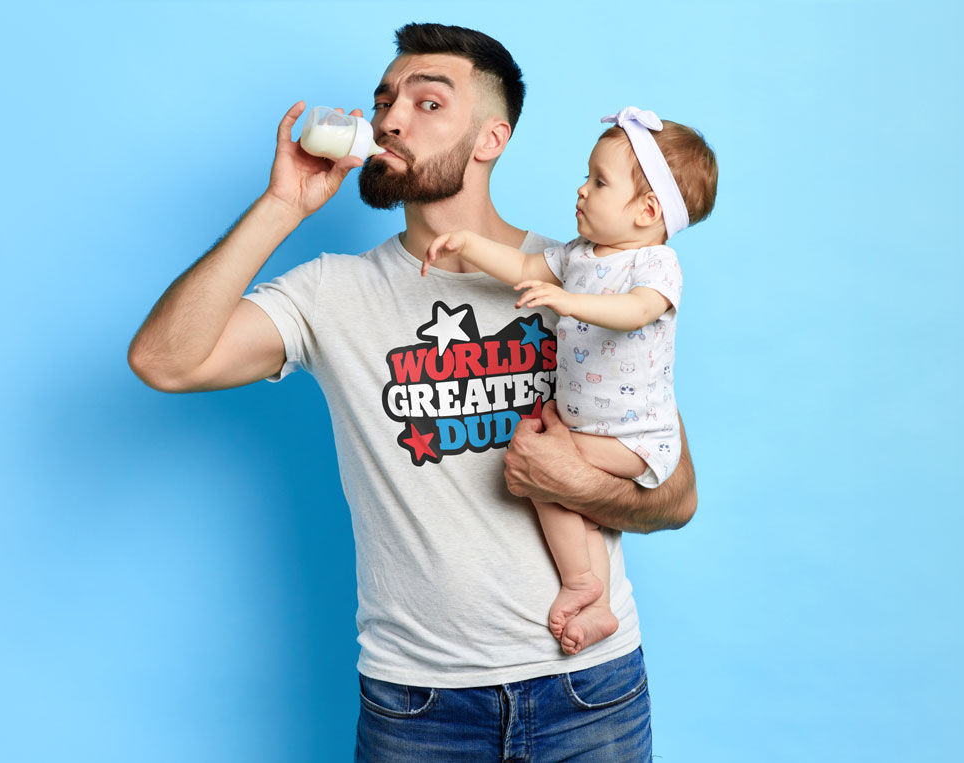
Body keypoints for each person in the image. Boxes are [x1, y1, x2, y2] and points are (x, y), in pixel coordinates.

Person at [127, 23, 697, 761]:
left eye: (428, 103)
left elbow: (675, 494)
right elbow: (164, 361)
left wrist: (570, 479)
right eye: (385, 101)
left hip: (590, 688)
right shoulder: (332, 292)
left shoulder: (585, 276)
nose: (391, 119)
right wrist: (282, 206)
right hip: (419, 706)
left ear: (492, 138)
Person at [420, 106, 717, 657]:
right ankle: (596, 603)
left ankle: (582, 583)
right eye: (587, 176)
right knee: (561, 489)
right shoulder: (578, 255)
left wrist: (567, 302)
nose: (581, 189)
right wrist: (468, 244)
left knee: (540, 471)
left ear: (647, 210)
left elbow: (637, 311)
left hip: (635, 435)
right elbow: (524, 269)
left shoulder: (655, 264)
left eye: (600, 182)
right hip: (588, 426)